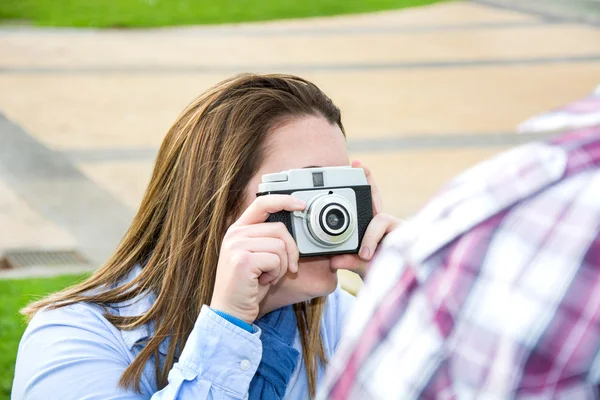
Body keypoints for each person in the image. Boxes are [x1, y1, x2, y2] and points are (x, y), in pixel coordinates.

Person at [11, 74, 399, 400]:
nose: (334, 211)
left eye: (340, 186)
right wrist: (228, 326)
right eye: (309, 187)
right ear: (217, 204)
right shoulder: (72, 338)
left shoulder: (339, 321)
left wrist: (409, 296)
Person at [319, 125, 600, 399]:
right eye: (305, 189)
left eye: (336, 185)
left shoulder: (345, 316)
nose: (328, 209)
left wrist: (395, 285)